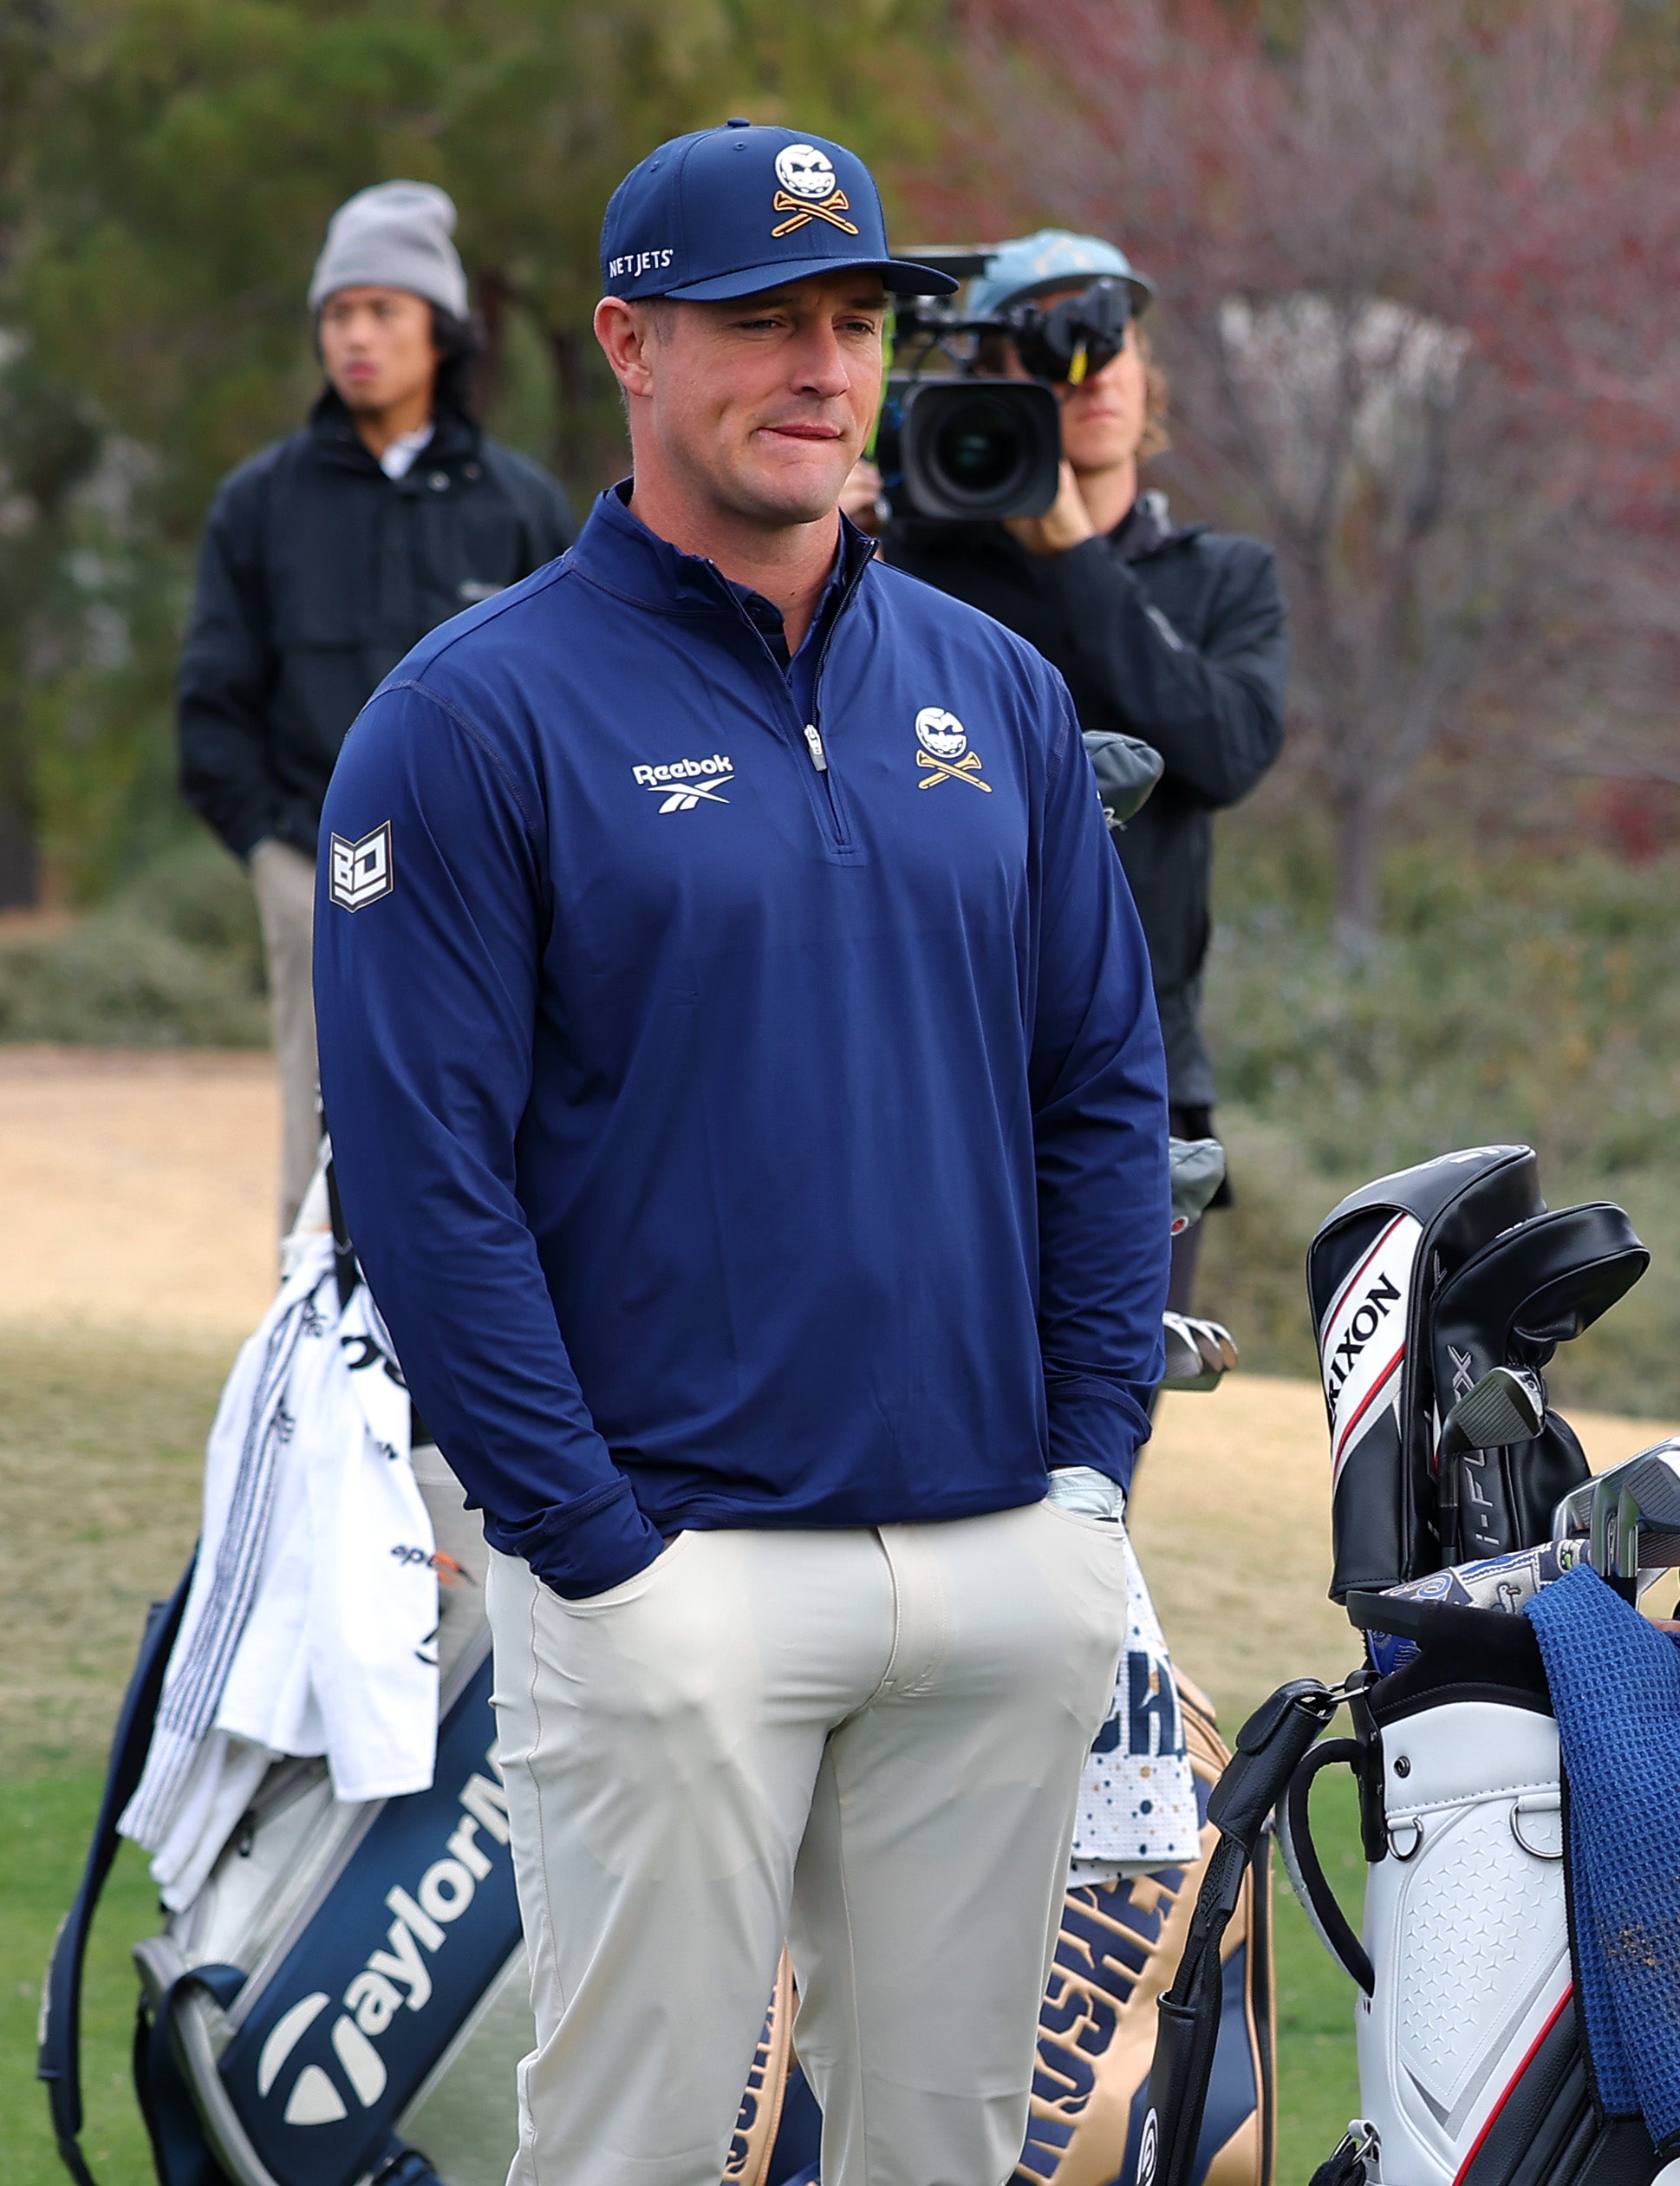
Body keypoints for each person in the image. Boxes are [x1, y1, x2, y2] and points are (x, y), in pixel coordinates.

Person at [313, 122, 1162, 2186]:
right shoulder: (472, 716)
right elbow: (426, 1180)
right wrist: (592, 1546)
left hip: (993, 1564)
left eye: (855, 320)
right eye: (759, 321)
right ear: (627, 340)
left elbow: (1101, 1093)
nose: (820, 365)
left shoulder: (999, 692)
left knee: (947, 2159)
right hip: (668, 1566)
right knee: (629, 2155)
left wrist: (1087, 1477)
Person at [863, 231, 1286, 1321]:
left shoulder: (1220, 577)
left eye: (1110, 339)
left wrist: (1072, 556)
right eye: (1046, 344)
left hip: (1142, 1065)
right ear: (987, 379)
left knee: (1102, 1429)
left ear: (1149, 368)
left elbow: (1224, 748)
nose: (1085, 374)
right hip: (931, 1058)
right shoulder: (911, 576)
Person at [178, 179, 570, 1237]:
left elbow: (574, 691)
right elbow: (211, 705)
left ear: (439, 331)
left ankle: (478, 1389)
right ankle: (313, 1387)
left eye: (381, 311)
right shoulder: (260, 505)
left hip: (494, 882)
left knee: (515, 1128)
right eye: (338, 313)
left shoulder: (520, 504)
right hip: (318, 873)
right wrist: (274, 859)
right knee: (321, 1150)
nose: (356, 336)